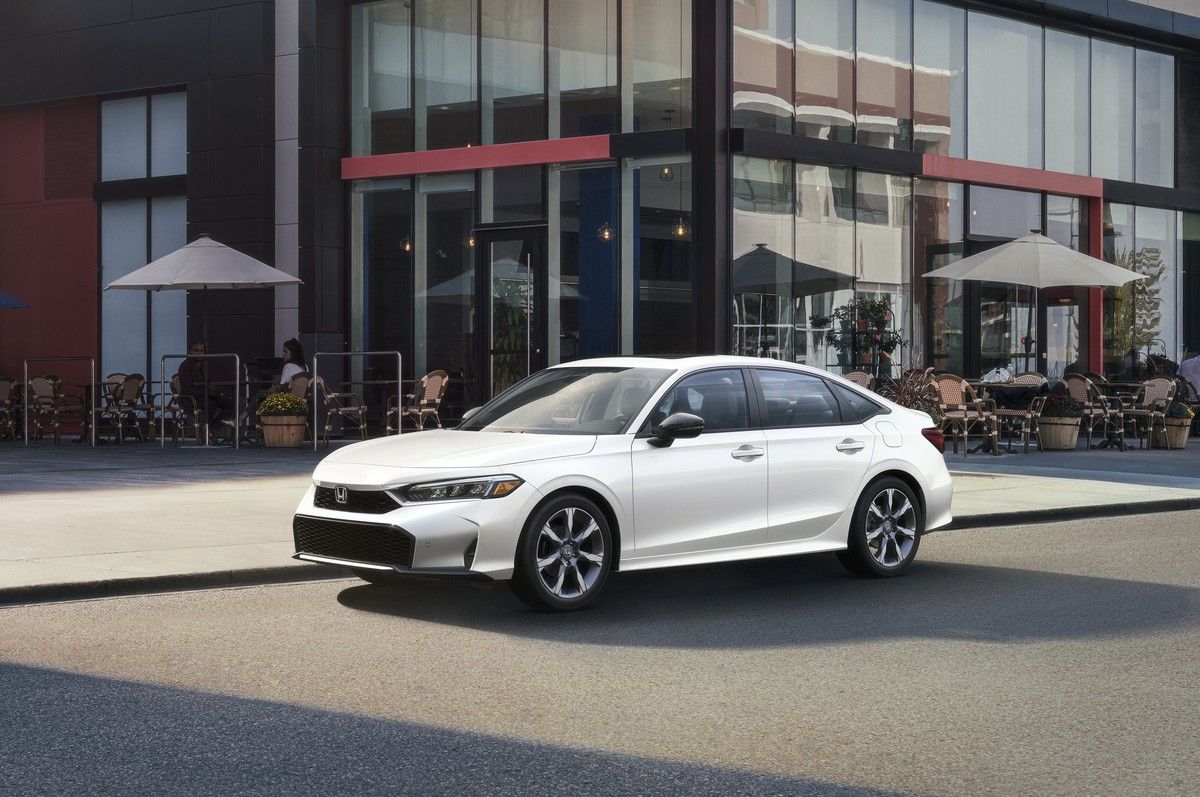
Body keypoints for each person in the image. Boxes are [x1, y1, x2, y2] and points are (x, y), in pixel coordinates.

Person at [177, 341, 235, 439]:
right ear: (190, 352)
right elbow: (187, 389)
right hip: (191, 399)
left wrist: (210, 389)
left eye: (201, 350)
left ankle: (211, 429)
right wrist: (207, 392)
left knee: (229, 403)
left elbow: (206, 383)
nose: (199, 353)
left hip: (206, 395)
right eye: (196, 350)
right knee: (211, 405)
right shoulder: (185, 366)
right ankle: (207, 430)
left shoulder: (204, 365)